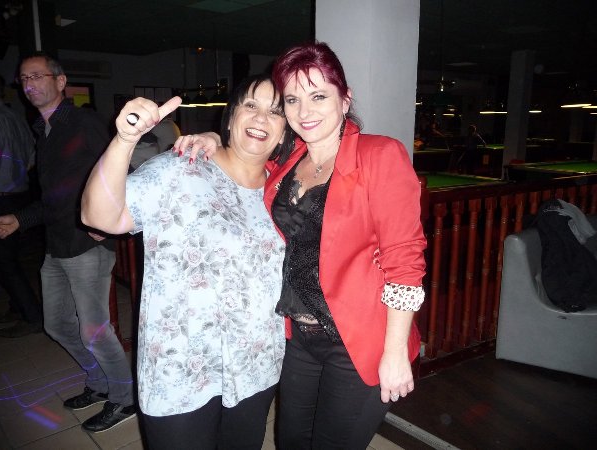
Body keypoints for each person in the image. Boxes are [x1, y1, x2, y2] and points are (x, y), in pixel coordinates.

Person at [179, 42, 427, 449]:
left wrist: (395, 351)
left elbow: (405, 261)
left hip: (359, 340)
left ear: (344, 99)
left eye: (318, 96)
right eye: (293, 100)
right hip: (299, 338)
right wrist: (213, 138)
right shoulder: (289, 161)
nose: (305, 111)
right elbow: (245, 158)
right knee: (290, 440)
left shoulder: (380, 155)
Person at [80, 74, 291, 450]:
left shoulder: (286, 191)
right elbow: (98, 217)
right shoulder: (181, 168)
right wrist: (124, 140)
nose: (261, 118)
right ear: (230, 118)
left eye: (275, 112)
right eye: (251, 105)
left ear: (284, 131)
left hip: (255, 365)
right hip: (179, 368)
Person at [0, 53, 134, 432]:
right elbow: (54, 196)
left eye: (38, 76)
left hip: (87, 243)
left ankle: (125, 398)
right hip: (56, 244)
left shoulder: (84, 123)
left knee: (94, 330)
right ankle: (100, 382)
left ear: (60, 82)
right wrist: (20, 219)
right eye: (24, 78)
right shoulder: (42, 133)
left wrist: (109, 224)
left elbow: (122, 171)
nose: (29, 84)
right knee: (56, 324)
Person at [0, 72, 43, 337]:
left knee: (5, 261)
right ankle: (18, 308)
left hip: (2, 197)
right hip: (20, 195)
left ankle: (31, 315)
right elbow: (33, 157)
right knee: (9, 258)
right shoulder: (16, 116)